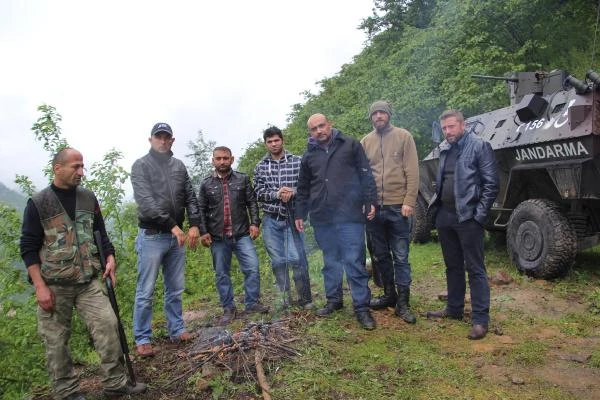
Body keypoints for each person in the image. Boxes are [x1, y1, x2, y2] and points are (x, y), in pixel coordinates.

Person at [20, 148, 147, 399]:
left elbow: (101, 234)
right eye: (75, 167)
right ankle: (67, 392)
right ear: (58, 169)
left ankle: (115, 384)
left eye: (82, 166)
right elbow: (28, 248)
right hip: (54, 284)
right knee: (56, 341)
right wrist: (39, 286)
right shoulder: (39, 203)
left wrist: (110, 258)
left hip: (89, 280)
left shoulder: (89, 198)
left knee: (108, 326)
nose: (81, 172)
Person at [295, 114, 378, 330]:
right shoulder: (308, 157)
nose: (319, 130)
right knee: (330, 262)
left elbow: (366, 174)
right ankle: (334, 300)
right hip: (322, 218)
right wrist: (299, 214)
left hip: (349, 215)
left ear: (329, 125)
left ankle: (361, 308)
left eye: (322, 126)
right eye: (314, 128)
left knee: (354, 261)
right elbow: (303, 188)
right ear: (310, 132)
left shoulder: (350, 144)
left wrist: (370, 200)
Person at [426, 110, 499, 340]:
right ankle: (454, 309)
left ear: (462, 125)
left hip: (468, 218)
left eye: (451, 127)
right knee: (453, 266)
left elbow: (491, 184)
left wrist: (478, 215)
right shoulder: (445, 149)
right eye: (445, 128)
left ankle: (480, 320)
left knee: (475, 269)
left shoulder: (479, 146)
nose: (448, 132)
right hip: (445, 216)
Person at [131, 122, 201, 357]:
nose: (162, 140)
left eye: (166, 137)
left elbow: (190, 196)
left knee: (175, 288)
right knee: (145, 290)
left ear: (172, 140)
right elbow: (146, 203)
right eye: (158, 136)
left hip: (177, 237)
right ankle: (142, 338)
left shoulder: (179, 166)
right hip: (152, 236)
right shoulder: (140, 166)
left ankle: (177, 329)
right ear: (150, 139)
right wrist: (173, 226)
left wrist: (193, 225)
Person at [361, 100, 419, 324]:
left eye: (381, 113)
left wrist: (409, 201)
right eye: (374, 113)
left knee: (401, 257)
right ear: (371, 118)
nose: (378, 116)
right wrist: (365, 202)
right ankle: (389, 294)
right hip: (375, 209)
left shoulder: (404, 137)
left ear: (389, 115)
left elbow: (412, 171)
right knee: (380, 255)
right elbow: (363, 176)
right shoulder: (365, 142)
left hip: (398, 207)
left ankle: (403, 302)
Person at [198, 146, 268, 325]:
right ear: (213, 160)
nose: (222, 162)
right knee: (222, 274)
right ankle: (228, 308)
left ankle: (252, 303)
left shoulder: (242, 179)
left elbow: (252, 202)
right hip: (218, 237)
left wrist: (255, 223)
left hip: (242, 233)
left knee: (252, 268)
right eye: (218, 158)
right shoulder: (206, 184)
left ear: (232, 159)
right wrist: (203, 232)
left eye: (225, 158)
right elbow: (201, 210)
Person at [253, 126, 313, 310]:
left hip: (293, 218)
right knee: (278, 261)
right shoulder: (260, 167)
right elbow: (258, 192)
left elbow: (307, 186)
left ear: (282, 140)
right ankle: (285, 298)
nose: (273, 144)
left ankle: (305, 298)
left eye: (276, 140)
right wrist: (277, 194)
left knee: (296, 258)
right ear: (265, 144)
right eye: (269, 141)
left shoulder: (298, 161)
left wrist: (292, 192)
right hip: (271, 219)